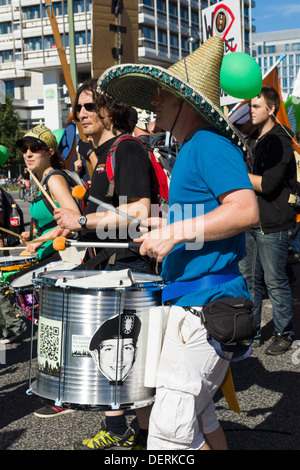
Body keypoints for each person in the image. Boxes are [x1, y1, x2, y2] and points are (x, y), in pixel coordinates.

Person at [97, 36, 259, 450]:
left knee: (169, 435)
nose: (154, 101)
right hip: (193, 303)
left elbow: (244, 210)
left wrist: (173, 232)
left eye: (162, 94)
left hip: (205, 306)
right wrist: (164, 223)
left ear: (183, 100)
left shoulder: (207, 144)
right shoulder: (190, 148)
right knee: (200, 421)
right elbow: (204, 217)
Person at [53, 79, 154, 449]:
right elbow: (106, 216)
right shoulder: (102, 154)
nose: (81, 114)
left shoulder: (126, 149)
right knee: (111, 361)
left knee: (134, 364)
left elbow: (138, 211)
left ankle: (145, 439)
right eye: (78, 108)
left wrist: (82, 222)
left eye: (90, 107)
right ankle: (118, 429)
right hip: (110, 267)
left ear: (110, 110)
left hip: (131, 269)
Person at [238, 86, 297, 355]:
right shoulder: (252, 139)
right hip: (250, 221)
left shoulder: (280, 140)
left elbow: (270, 185)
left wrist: (235, 174)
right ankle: (253, 331)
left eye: (256, 106)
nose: (250, 110)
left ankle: (284, 333)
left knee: (274, 281)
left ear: (271, 109)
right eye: (249, 106)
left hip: (273, 223)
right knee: (250, 280)